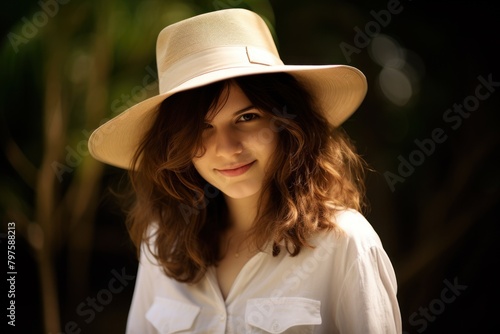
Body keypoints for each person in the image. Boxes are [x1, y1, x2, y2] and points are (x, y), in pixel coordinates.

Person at [88, 8, 402, 334]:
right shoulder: (164, 242)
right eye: (201, 127)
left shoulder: (344, 244)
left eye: (247, 117)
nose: (227, 147)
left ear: (288, 122)